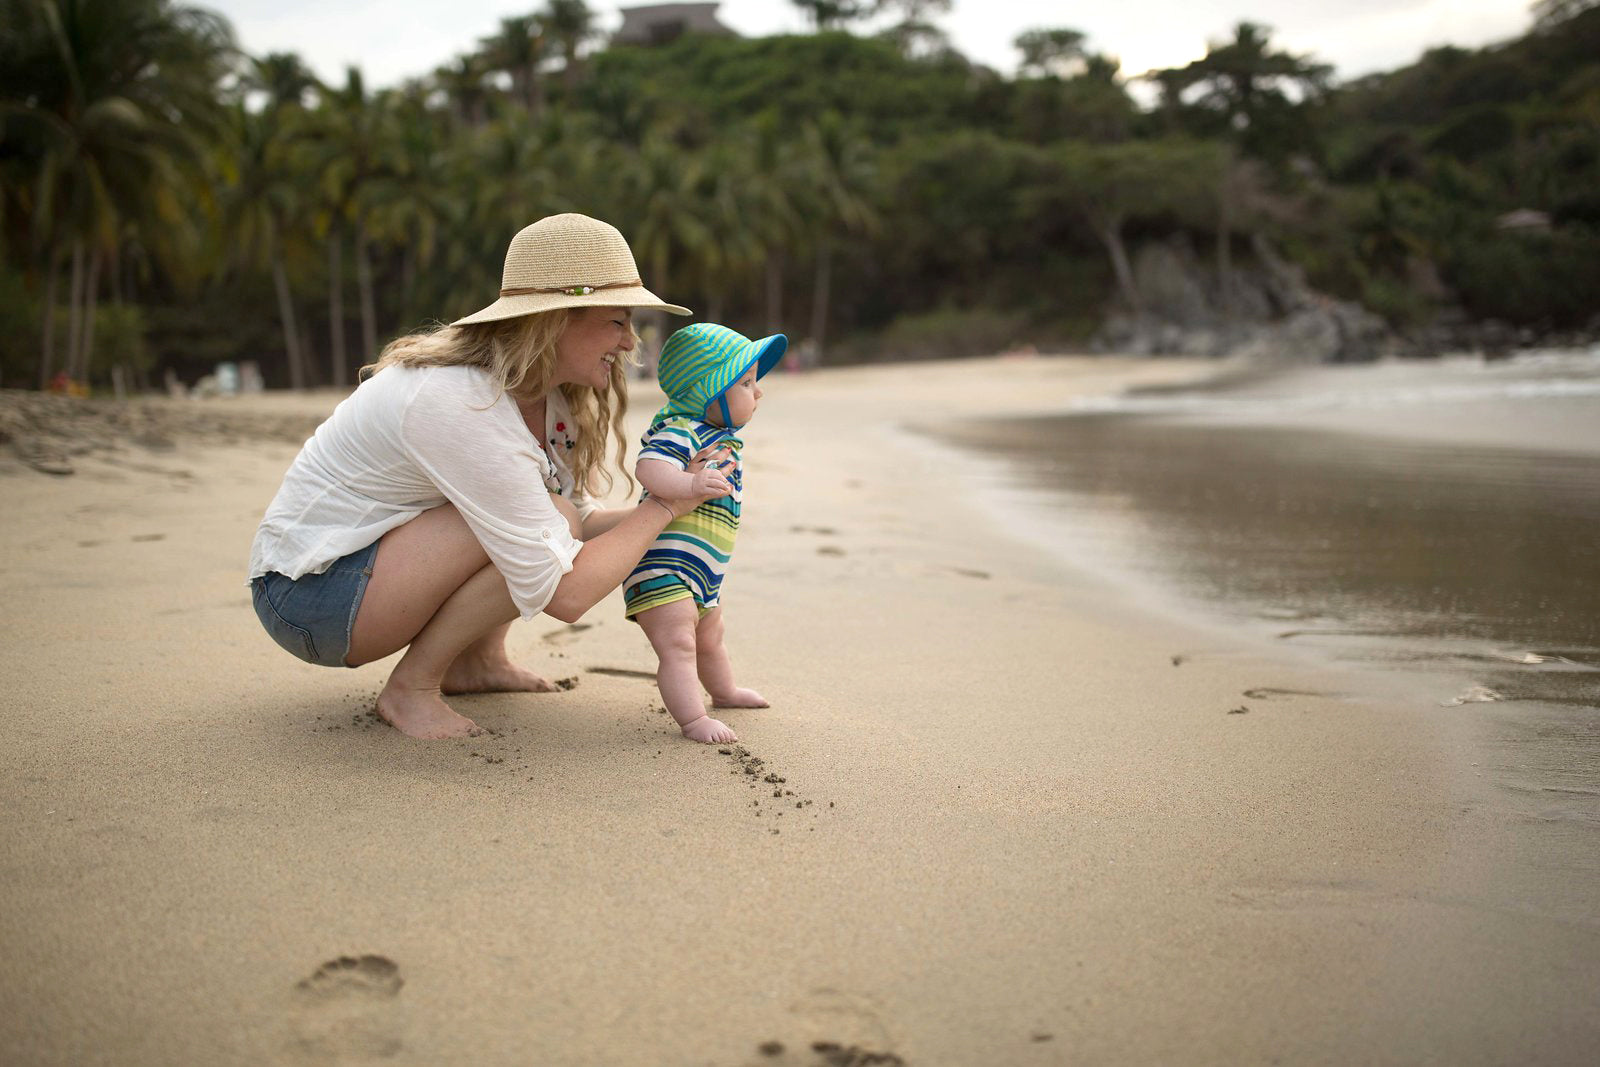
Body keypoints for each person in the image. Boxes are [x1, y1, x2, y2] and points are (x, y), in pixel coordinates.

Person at [247, 213, 728, 740]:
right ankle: (412, 688)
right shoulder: (461, 401)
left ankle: (475, 663)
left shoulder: (549, 398)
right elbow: (564, 593)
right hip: (308, 597)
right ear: (554, 321)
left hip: (369, 577)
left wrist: (685, 499)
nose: (630, 341)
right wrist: (660, 509)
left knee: (552, 516)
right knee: (547, 523)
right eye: (617, 321)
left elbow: (583, 518)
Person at [623, 323, 786, 743]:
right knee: (679, 643)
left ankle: (724, 691)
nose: (759, 392)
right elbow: (650, 467)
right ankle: (693, 719)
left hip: (701, 571)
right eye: (747, 383)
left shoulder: (720, 438)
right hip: (662, 568)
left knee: (710, 636)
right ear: (708, 392)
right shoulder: (682, 428)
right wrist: (691, 486)